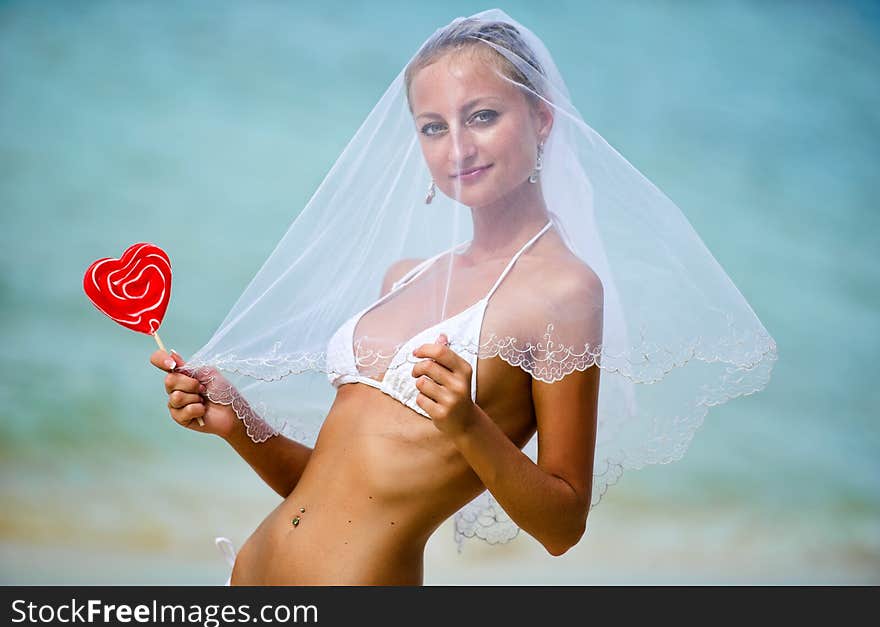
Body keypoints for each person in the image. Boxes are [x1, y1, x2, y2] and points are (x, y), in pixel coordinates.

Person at [150, 9, 776, 586]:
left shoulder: (564, 294)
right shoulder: (404, 278)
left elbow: (563, 526)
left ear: (542, 119)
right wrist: (241, 427)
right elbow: (338, 495)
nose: (457, 148)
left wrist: (467, 423)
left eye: (482, 116)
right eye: (432, 127)